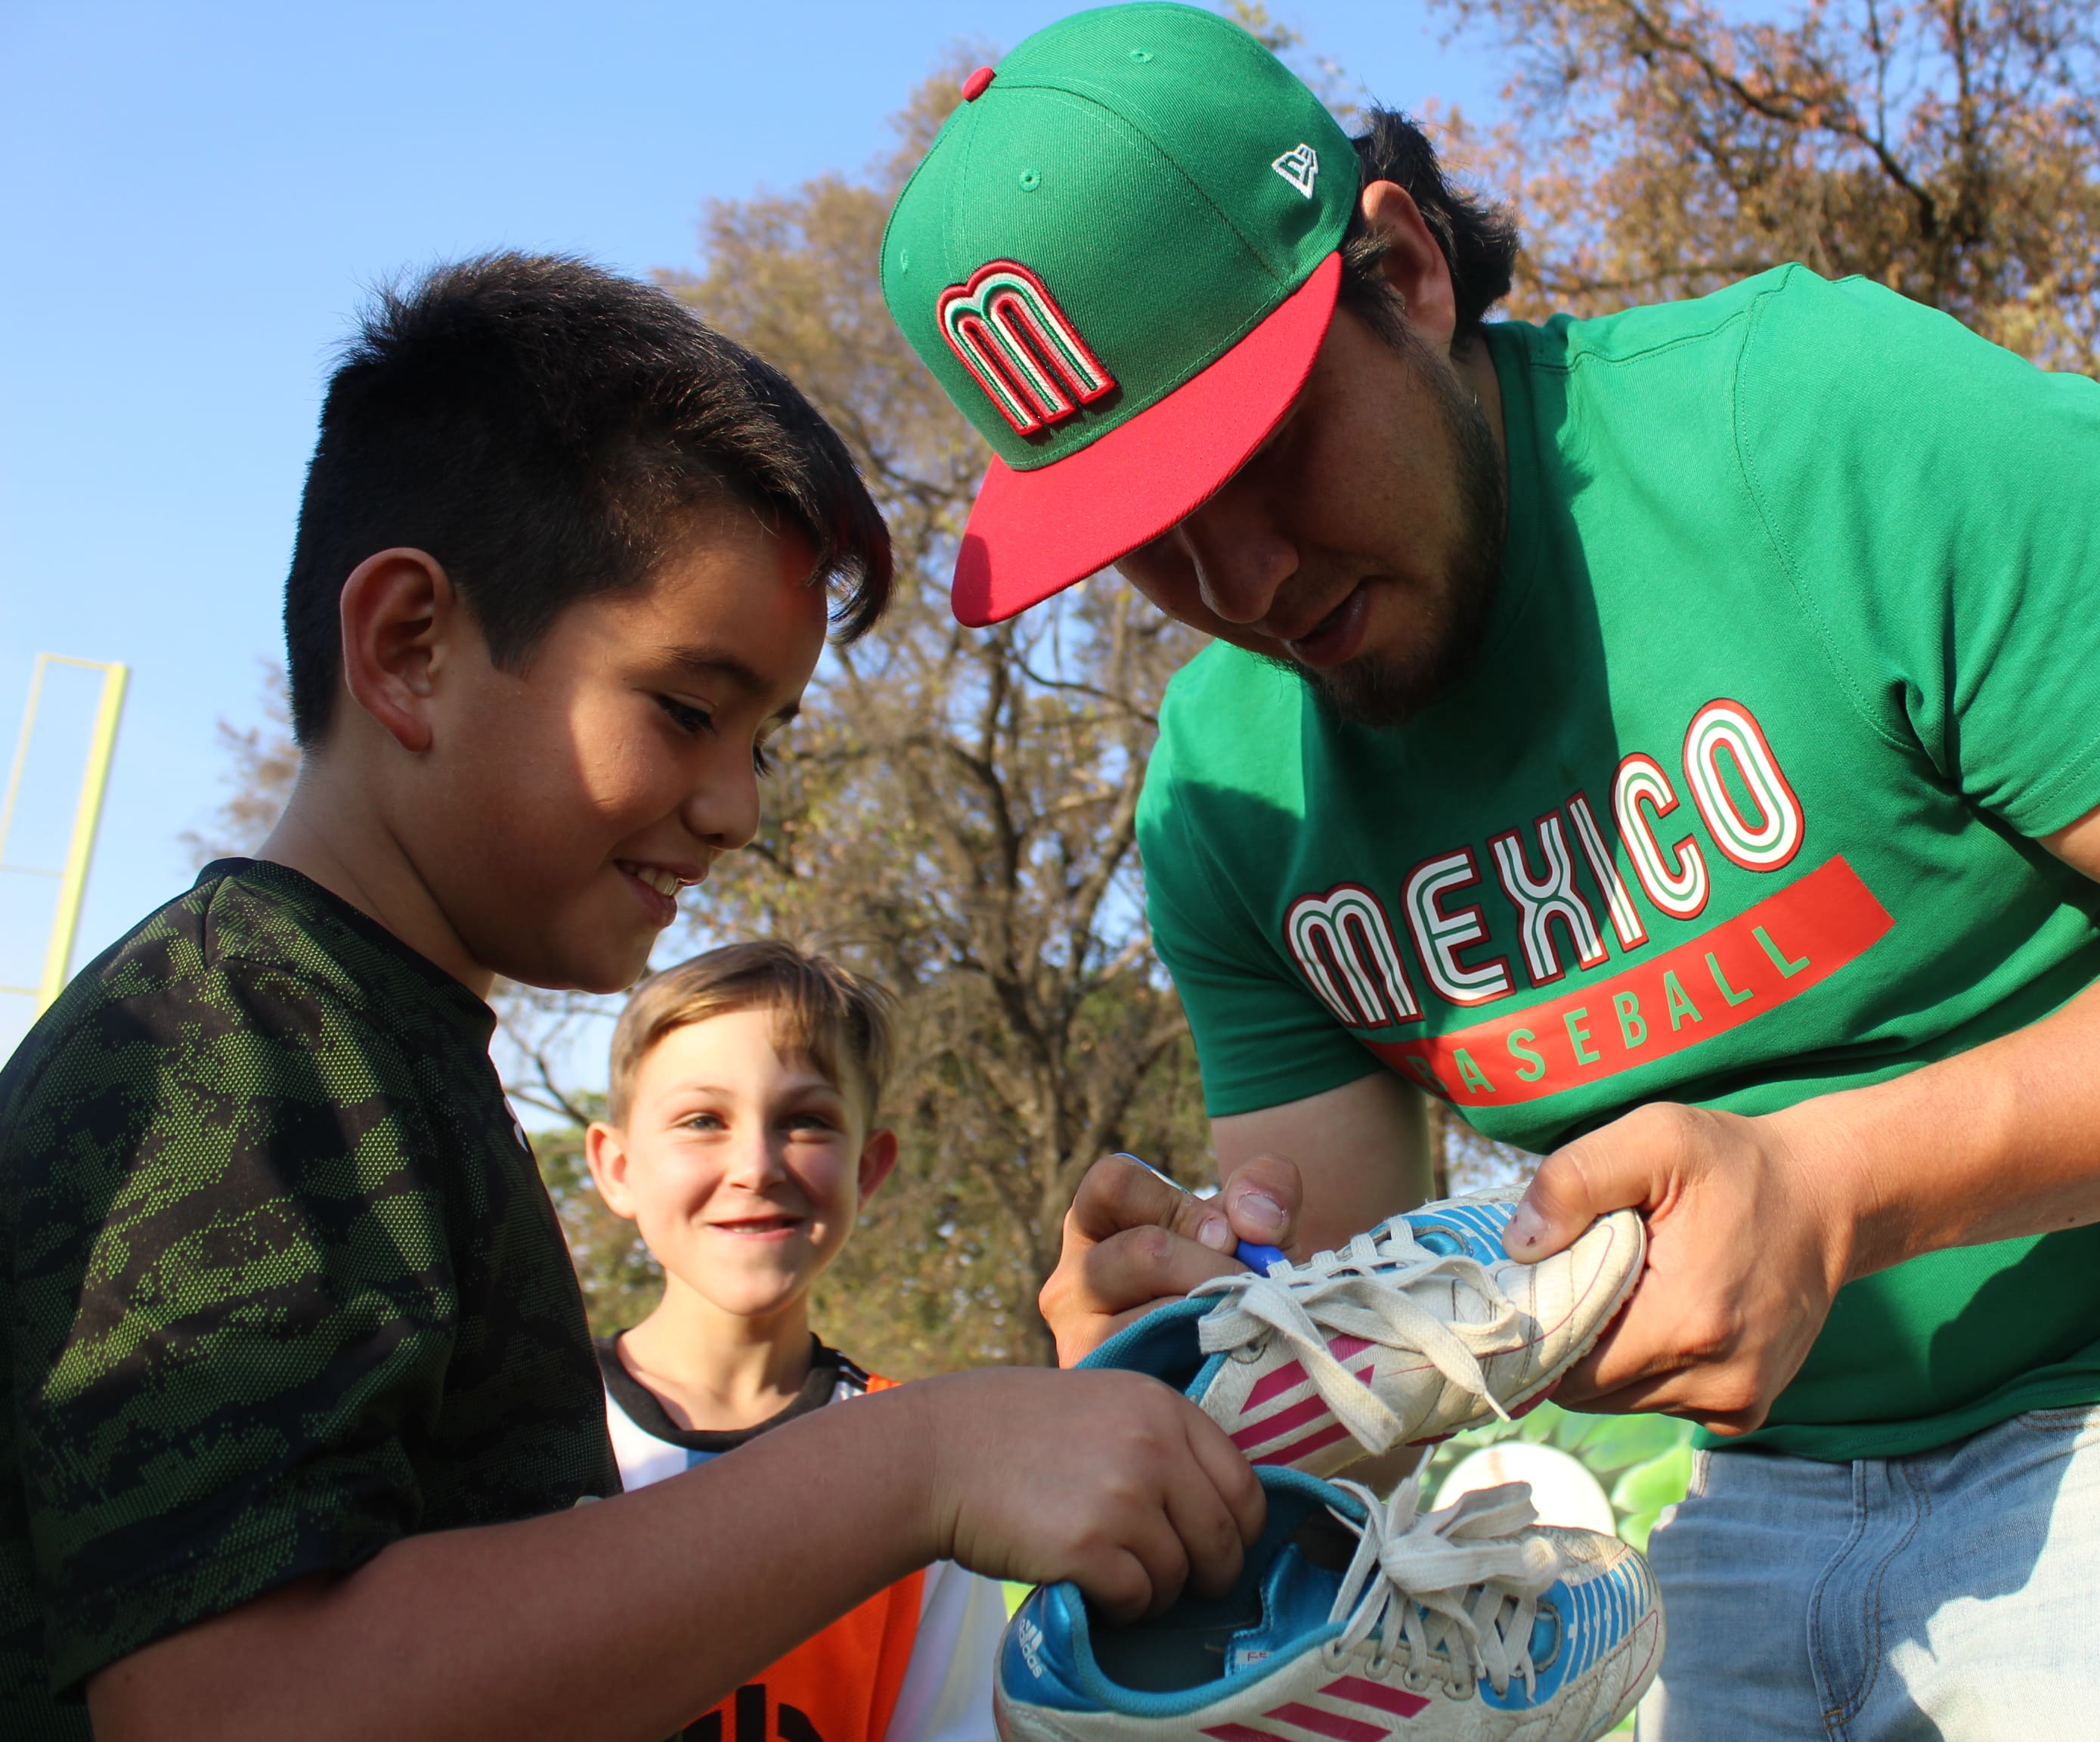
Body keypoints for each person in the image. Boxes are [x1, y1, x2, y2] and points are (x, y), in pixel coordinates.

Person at [879, 7, 2100, 1737]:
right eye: (1139, 525)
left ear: (1401, 272)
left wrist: (1836, 1184)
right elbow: (1359, 1304)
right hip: (1755, 1485)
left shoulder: (1812, 430)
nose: (1238, 575)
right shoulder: (1226, 801)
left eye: (1256, 445)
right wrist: (1204, 1356)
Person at [0, 253, 1261, 1742]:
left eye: (768, 740)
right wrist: (921, 1463)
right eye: (683, 710)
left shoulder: (377, 1040)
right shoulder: (234, 1042)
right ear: (409, 648)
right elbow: (232, 1705)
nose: (733, 807)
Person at [585, 941, 999, 1742]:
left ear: (868, 1168)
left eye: (805, 1120)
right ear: (618, 1166)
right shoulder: (517, 1434)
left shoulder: (922, 1470)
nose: (755, 1165)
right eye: (703, 1120)